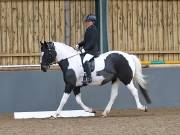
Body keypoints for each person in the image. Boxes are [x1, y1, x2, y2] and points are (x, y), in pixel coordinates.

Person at [76, 14, 99, 84]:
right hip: (88, 50)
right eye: (86, 21)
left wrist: (84, 49)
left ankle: (89, 77)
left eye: (88, 21)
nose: (86, 23)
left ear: (92, 22)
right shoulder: (88, 29)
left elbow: (91, 43)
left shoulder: (93, 30)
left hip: (92, 51)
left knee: (85, 60)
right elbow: (86, 41)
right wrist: (79, 44)